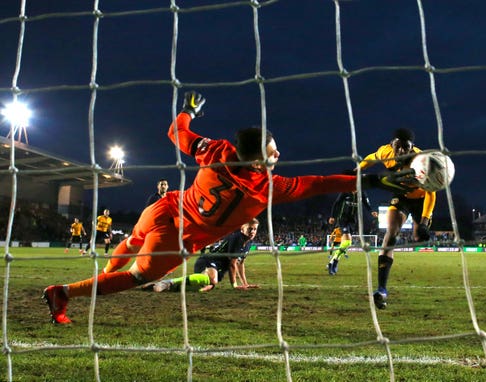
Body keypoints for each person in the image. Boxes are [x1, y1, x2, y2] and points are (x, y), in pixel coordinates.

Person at [42, 90, 410, 324]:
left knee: (134, 241)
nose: (278, 156)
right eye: (272, 153)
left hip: (164, 209)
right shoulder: (266, 189)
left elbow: (176, 132)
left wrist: (188, 110)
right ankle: (66, 292)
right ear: (254, 164)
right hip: (179, 236)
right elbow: (319, 183)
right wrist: (375, 181)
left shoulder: (215, 150)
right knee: (139, 277)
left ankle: (105, 272)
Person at [359, 128, 436, 309]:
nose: (401, 151)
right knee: (390, 235)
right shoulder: (386, 151)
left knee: (419, 237)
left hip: (421, 199)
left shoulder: (421, 161)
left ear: (412, 147)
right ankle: (381, 290)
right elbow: (372, 157)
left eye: (405, 147)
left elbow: (431, 194)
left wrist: (424, 221)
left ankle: (422, 230)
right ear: (392, 144)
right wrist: (358, 169)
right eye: (398, 146)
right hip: (401, 197)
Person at [152, 218, 260, 292]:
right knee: (212, 280)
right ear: (242, 229)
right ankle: (168, 283)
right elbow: (232, 264)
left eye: (255, 229)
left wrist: (245, 284)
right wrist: (235, 285)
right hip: (208, 260)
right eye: (250, 228)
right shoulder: (238, 238)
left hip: (219, 269)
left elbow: (240, 264)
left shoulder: (249, 243)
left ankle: (165, 286)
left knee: (204, 287)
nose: (252, 231)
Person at [326, 190, 378, 275]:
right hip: (343, 219)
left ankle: (332, 262)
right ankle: (334, 262)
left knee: (347, 243)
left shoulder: (362, 193)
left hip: (353, 221)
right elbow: (337, 203)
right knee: (347, 241)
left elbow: (366, 203)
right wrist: (332, 216)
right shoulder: (345, 191)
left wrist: (372, 211)